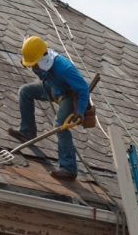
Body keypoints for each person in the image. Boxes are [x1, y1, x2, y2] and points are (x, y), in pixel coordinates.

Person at [8, 36, 89, 181]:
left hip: (68, 95)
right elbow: (37, 68)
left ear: (42, 58)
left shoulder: (64, 68)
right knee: (25, 91)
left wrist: (80, 110)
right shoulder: (39, 62)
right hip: (52, 87)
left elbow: (83, 88)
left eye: (34, 64)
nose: (33, 68)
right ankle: (27, 132)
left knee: (59, 125)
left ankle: (69, 168)